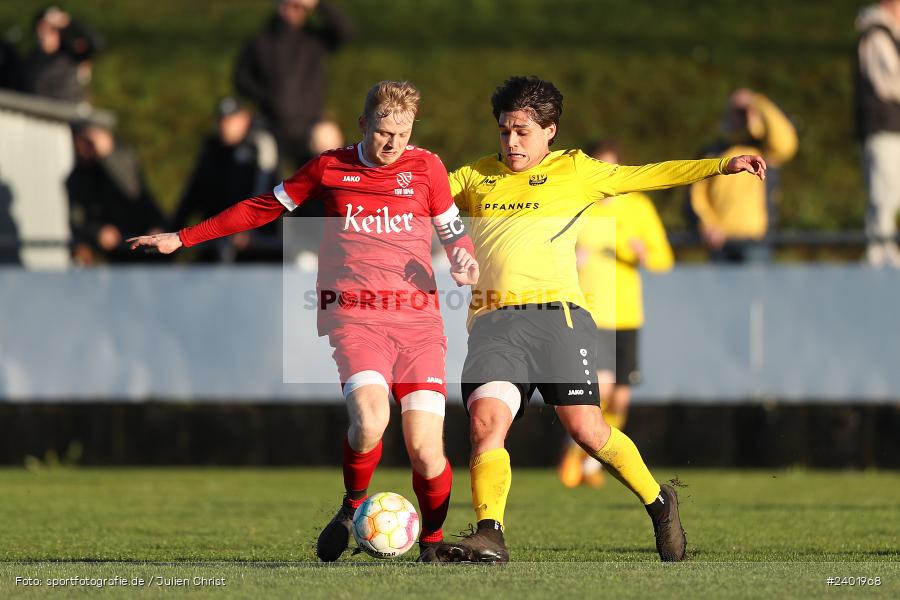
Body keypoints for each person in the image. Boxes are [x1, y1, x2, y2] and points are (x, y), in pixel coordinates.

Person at [127, 81, 480, 563]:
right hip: (356, 318)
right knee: (371, 421)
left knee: (424, 449)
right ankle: (353, 506)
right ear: (364, 124)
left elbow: (453, 232)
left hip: (419, 325)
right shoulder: (330, 167)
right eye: (383, 132)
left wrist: (463, 260)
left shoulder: (428, 167)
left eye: (403, 133)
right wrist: (184, 238)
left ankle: (432, 545)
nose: (393, 144)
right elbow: (263, 208)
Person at [435, 76, 766, 564]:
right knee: (485, 423)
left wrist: (720, 165)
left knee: (587, 430)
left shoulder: (576, 170)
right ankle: (490, 534)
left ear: (549, 131)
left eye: (522, 131)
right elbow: (418, 195)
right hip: (493, 321)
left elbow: (649, 175)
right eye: (505, 131)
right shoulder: (475, 176)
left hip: (557, 318)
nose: (511, 142)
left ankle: (659, 502)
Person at [557, 140, 674, 489]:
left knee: (621, 398)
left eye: (611, 169)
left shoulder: (637, 206)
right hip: (591, 313)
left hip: (627, 313)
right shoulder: (578, 206)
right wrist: (570, 258)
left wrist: (642, 252)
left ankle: (591, 465)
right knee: (602, 388)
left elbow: (663, 259)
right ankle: (573, 451)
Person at [235, 0, 353, 168]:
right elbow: (241, 80)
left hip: (311, 125)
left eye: (298, 6)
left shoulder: (314, 39)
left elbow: (347, 33)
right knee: (261, 162)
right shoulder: (260, 41)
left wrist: (318, 4)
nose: (293, 10)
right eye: (289, 4)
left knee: (329, 149)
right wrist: (270, 98)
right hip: (271, 125)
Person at [688, 88, 797, 263]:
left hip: (756, 241)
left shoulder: (765, 150)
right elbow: (696, 195)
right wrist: (707, 225)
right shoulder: (712, 153)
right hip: (720, 242)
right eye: (738, 111)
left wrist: (757, 102)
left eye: (746, 111)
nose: (743, 115)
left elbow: (786, 141)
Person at [170, 97, 281, 262]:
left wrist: (250, 229)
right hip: (215, 237)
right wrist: (171, 230)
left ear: (245, 118)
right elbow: (194, 192)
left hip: (255, 244)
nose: (225, 126)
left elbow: (266, 192)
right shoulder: (212, 147)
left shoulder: (260, 144)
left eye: (231, 120)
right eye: (222, 120)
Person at [67, 123, 165, 265]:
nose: (88, 146)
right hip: (116, 254)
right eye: (83, 140)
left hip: (148, 246)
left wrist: (107, 155)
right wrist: (97, 232)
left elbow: (134, 193)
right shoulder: (76, 178)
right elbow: (77, 221)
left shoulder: (126, 160)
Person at [856, 0, 900, 268]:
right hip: (882, 130)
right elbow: (890, 82)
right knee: (883, 195)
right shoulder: (876, 35)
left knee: (892, 194)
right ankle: (880, 257)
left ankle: (887, 252)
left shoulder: (888, 34)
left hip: (892, 129)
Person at [21, 6, 103, 103]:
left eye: (51, 29)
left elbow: (97, 44)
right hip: (38, 110)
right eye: (42, 29)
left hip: (68, 110)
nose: (45, 34)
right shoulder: (30, 60)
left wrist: (69, 21)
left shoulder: (71, 54)